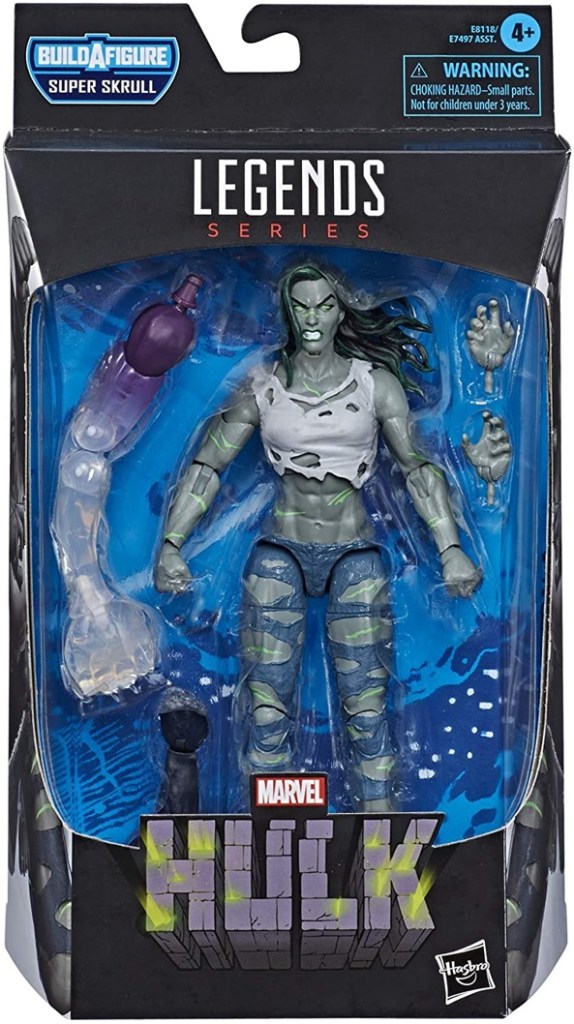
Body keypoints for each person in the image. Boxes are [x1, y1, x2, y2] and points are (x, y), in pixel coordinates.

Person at [155, 263, 483, 810]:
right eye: (301, 306)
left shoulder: (375, 385)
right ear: (288, 311)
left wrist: (451, 551)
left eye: (324, 305)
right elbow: (208, 464)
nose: (312, 317)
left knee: (368, 709)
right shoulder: (263, 385)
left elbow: (417, 469)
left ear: (340, 311)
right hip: (279, 549)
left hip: (354, 552)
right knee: (266, 712)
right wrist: (171, 543)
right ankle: (270, 831)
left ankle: (381, 838)